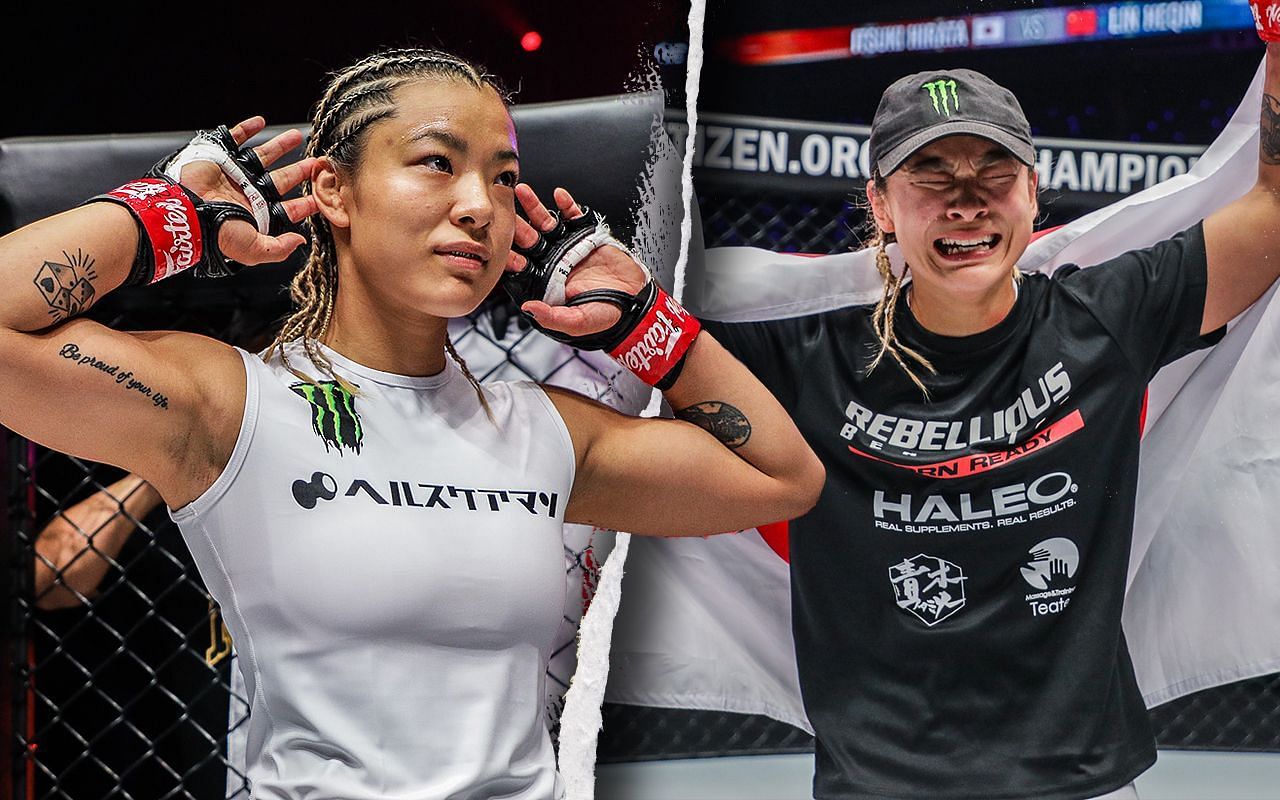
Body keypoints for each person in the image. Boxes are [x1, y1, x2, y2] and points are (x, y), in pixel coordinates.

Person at [0, 46, 824, 799]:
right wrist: (165, 218)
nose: (478, 206)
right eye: (437, 163)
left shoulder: (545, 432)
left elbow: (781, 478)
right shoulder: (230, 406)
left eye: (503, 179)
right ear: (332, 190)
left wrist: (649, 322)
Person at [697, 16, 1280, 800]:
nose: (966, 202)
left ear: (1033, 193)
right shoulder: (801, 352)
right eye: (930, 175)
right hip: (879, 787)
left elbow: (1273, 209)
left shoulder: (1104, 317)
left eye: (994, 171)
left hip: (1080, 783)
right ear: (880, 204)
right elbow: (640, 336)